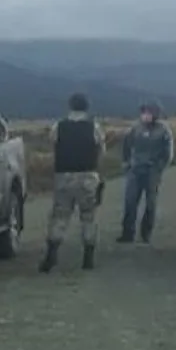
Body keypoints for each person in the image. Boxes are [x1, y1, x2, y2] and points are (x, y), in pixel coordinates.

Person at [39, 92, 105, 273]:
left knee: (59, 217)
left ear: (70, 106)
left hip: (64, 176)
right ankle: (88, 258)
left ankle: (52, 254)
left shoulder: (59, 126)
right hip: (88, 176)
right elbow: (100, 150)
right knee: (89, 217)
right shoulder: (94, 127)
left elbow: (52, 145)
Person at [117, 101, 174, 243]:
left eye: (149, 112)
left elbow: (168, 152)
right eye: (144, 112)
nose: (146, 115)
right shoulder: (135, 128)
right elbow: (126, 145)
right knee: (130, 201)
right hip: (135, 170)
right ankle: (127, 233)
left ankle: (146, 233)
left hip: (152, 171)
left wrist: (159, 167)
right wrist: (126, 162)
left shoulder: (163, 130)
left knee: (150, 203)